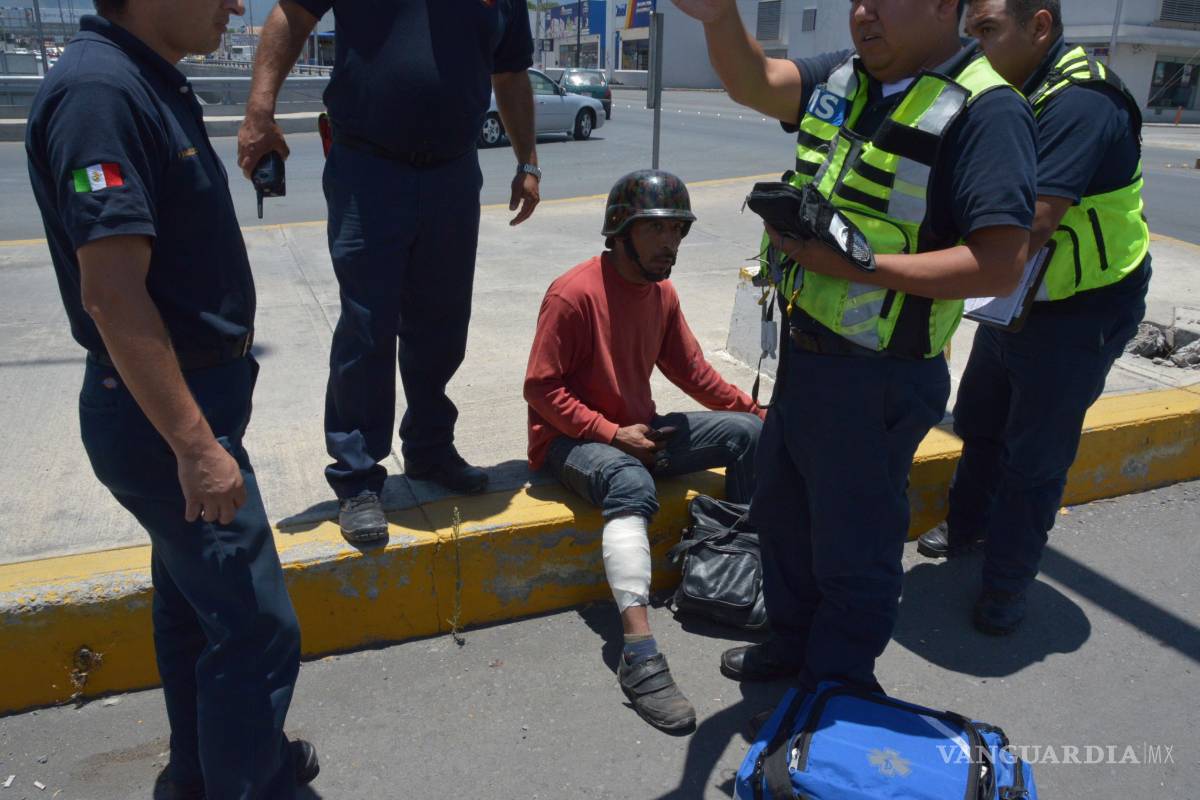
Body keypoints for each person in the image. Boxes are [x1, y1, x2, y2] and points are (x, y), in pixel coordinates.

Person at [672, 0, 1038, 695]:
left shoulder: (988, 111)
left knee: (852, 551)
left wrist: (860, 268)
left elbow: (999, 264)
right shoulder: (850, 75)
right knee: (782, 520)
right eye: (856, 0)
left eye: (881, 0)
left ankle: (834, 691)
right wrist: (720, 18)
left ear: (940, 7)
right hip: (807, 358)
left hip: (881, 380)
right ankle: (791, 646)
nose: (861, 14)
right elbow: (754, 82)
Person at [25, 2, 316, 797]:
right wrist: (195, 446)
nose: (234, 5)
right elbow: (113, 296)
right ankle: (250, 783)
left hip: (184, 406)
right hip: (164, 419)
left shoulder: (146, 81)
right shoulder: (101, 96)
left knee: (196, 611)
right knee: (256, 627)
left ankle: (201, 775)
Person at [238, 0, 540, 543]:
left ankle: (428, 448)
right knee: (367, 323)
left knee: (443, 322)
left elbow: (510, 71)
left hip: (452, 170)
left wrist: (527, 161)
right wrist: (260, 109)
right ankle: (357, 478)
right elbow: (292, 15)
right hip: (368, 169)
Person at [916, 0, 1151, 635]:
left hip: (1083, 307)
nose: (976, 46)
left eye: (987, 31)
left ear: (1039, 27)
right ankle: (967, 527)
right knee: (981, 420)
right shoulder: (1012, 89)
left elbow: (1029, 223)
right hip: (1018, 296)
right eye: (971, 34)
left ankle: (1006, 585)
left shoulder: (1079, 103)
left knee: (1035, 454)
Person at [524, 170, 766, 731]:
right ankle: (638, 653)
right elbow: (541, 388)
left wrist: (754, 413)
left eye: (678, 230)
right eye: (657, 229)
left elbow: (694, 373)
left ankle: (738, 577)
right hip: (572, 442)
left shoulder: (661, 293)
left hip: (638, 429)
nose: (671, 244)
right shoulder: (573, 293)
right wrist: (611, 435)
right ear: (622, 230)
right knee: (630, 482)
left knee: (750, 437)